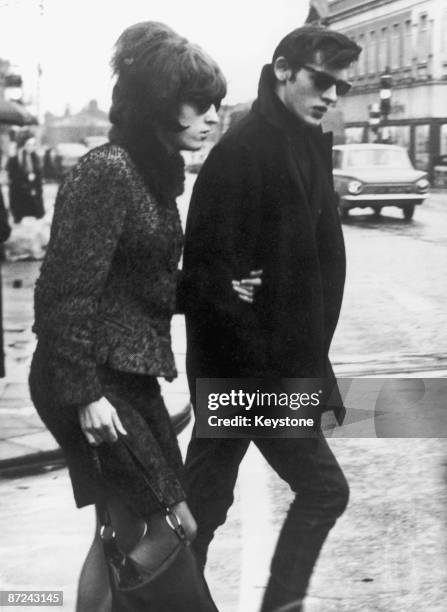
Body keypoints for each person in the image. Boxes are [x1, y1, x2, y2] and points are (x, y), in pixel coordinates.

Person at [29, 21, 257, 611]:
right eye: (200, 105)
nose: (213, 117)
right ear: (161, 103)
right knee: (169, 523)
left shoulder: (152, 179)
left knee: (133, 527)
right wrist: (84, 395)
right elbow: (62, 294)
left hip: (128, 378)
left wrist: (216, 288)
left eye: (218, 105)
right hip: (92, 381)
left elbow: (140, 285)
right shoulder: (106, 173)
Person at [181, 25, 362, 612]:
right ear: (283, 69)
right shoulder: (243, 151)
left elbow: (308, 269)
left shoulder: (306, 144)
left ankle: (156, 601)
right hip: (250, 373)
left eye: (341, 86)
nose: (332, 95)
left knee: (200, 509)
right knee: (324, 490)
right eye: (321, 80)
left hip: (274, 366)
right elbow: (207, 275)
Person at [7, 135, 45, 223]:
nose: (31, 147)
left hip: (32, 186)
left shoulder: (35, 157)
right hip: (20, 187)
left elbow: (39, 173)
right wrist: (26, 177)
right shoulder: (16, 158)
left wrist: (35, 177)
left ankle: (37, 214)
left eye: (33, 145)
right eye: (28, 144)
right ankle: (18, 216)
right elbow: (13, 175)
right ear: (23, 145)